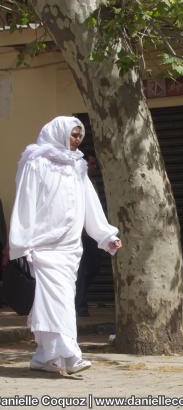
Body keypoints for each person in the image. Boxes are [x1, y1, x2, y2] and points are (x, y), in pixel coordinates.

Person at [9, 116, 122, 374]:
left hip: (70, 249)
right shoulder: (35, 162)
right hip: (42, 247)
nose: (76, 140)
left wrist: (105, 235)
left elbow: (90, 206)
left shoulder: (77, 167)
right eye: (73, 134)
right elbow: (25, 202)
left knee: (54, 302)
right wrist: (20, 243)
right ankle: (71, 355)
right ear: (59, 132)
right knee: (58, 301)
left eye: (79, 136)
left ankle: (44, 357)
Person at [75, 152, 104, 317]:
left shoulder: (93, 183)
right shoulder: (75, 183)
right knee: (83, 271)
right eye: (91, 164)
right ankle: (80, 306)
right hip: (80, 235)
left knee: (94, 268)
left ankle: (79, 301)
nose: (94, 168)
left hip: (93, 235)